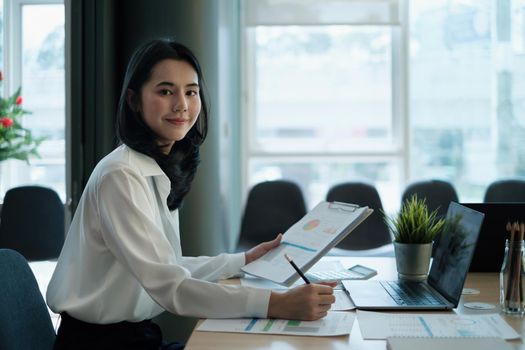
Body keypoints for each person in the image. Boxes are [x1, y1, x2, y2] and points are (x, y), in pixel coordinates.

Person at [46, 38, 336, 350]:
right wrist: (276, 303)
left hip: (132, 337)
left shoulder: (158, 166)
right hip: (99, 344)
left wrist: (243, 261)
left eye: (191, 91)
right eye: (165, 91)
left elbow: (165, 264)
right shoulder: (121, 175)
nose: (182, 105)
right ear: (133, 100)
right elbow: (172, 287)